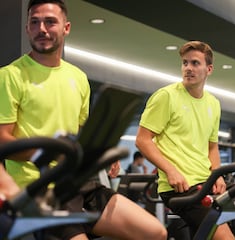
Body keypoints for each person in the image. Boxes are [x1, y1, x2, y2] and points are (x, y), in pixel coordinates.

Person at [0, 1, 167, 239]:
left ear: (66, 28)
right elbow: (2, 141)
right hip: (40, 190)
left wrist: (99, 153)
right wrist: (52, 152)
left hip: (80, 184)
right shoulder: (9, 76)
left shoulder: (77, 78)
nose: (42, 29)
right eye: (34, 22)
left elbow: (81, 131)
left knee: (155, 232)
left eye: (50, 22)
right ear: (27, 29)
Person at [136, 40, 235, 240]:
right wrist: (171, 171)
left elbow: (212, 147)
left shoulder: (213, 103)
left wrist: (218, 175)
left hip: (208, 181)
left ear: (209, 69)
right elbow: (143, 140)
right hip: (181, 189)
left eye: (195, 63)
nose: (188, 68)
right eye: (185, 63)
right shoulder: (166, 96)